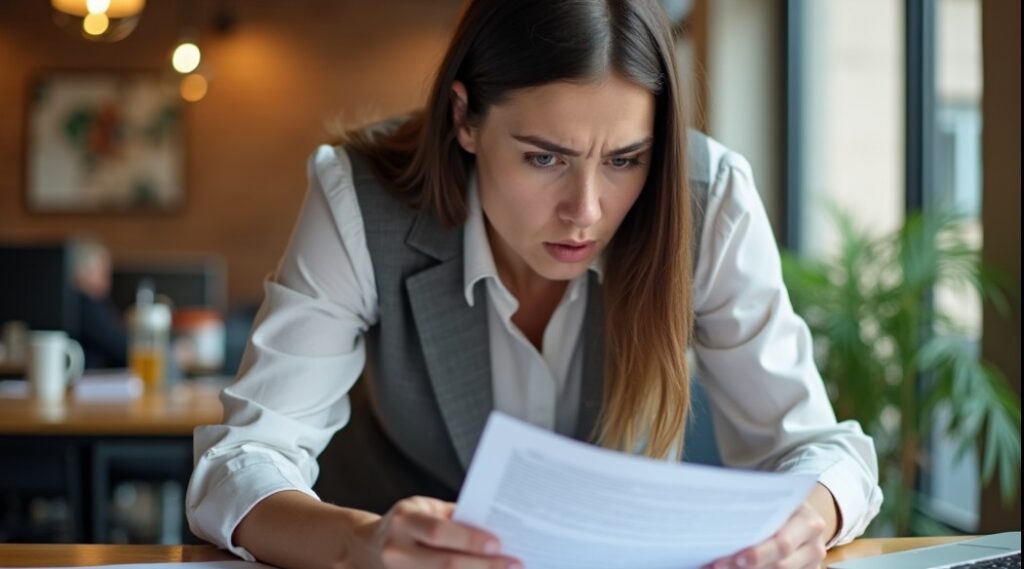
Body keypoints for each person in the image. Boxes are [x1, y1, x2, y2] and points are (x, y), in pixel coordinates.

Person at [186, 1, 883, 568]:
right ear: (464, 118)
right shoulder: (361, 198)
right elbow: (241, 461)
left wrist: (806, 518)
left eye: (625, 158)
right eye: (545, 156)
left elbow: (824, 450)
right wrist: (358, 543)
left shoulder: (706, 197)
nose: (586, 208)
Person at [70, 237, 128, 369]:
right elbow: (121, 348)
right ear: (82, 272)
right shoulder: (84, 304)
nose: (108, 281)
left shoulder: (97, 302)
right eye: (103, 272)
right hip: (91, 382)